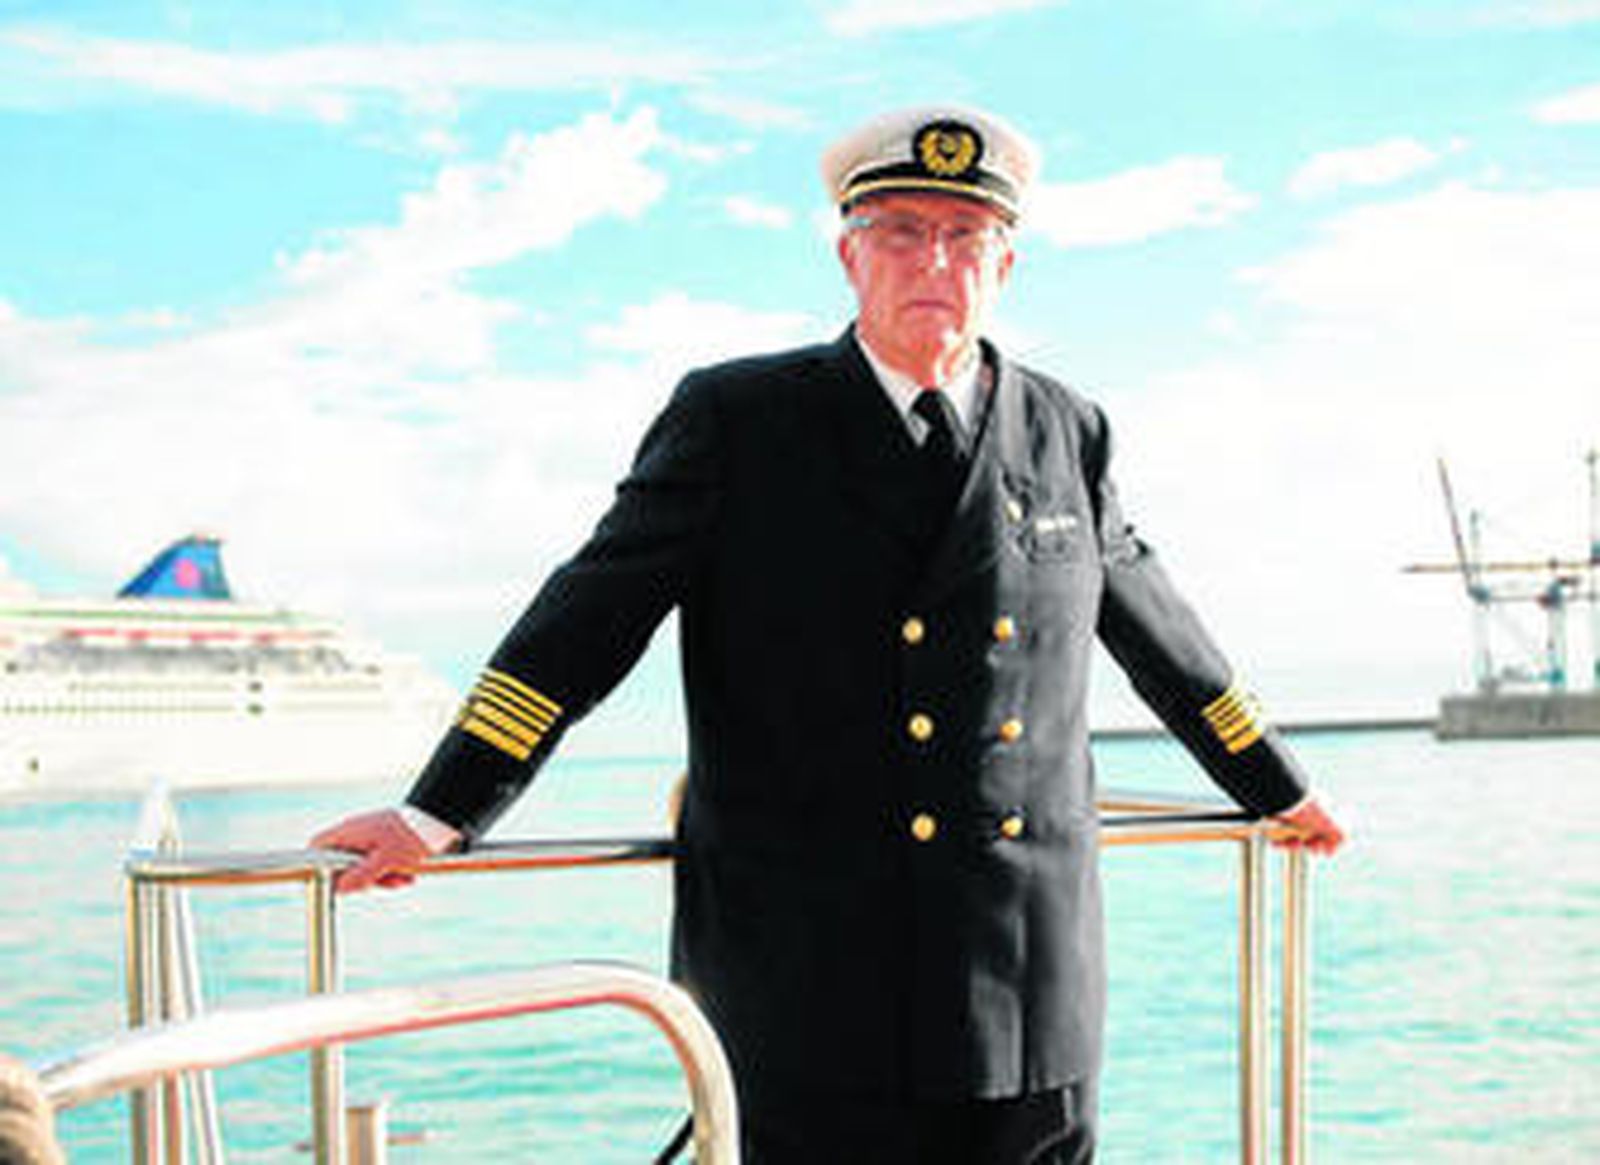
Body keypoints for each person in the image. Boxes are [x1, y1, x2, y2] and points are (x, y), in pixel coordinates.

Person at [312, 105, 1346, 1163]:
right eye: (901, 230)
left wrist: (1278, 788)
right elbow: (581, 625)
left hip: (1026, 977)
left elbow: (1164, 634)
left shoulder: (1066, 429)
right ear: (848, 253)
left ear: (1006, 263)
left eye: (965, 234)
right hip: (805, 977)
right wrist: (437, 811)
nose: (933, 258)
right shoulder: (738, 419)